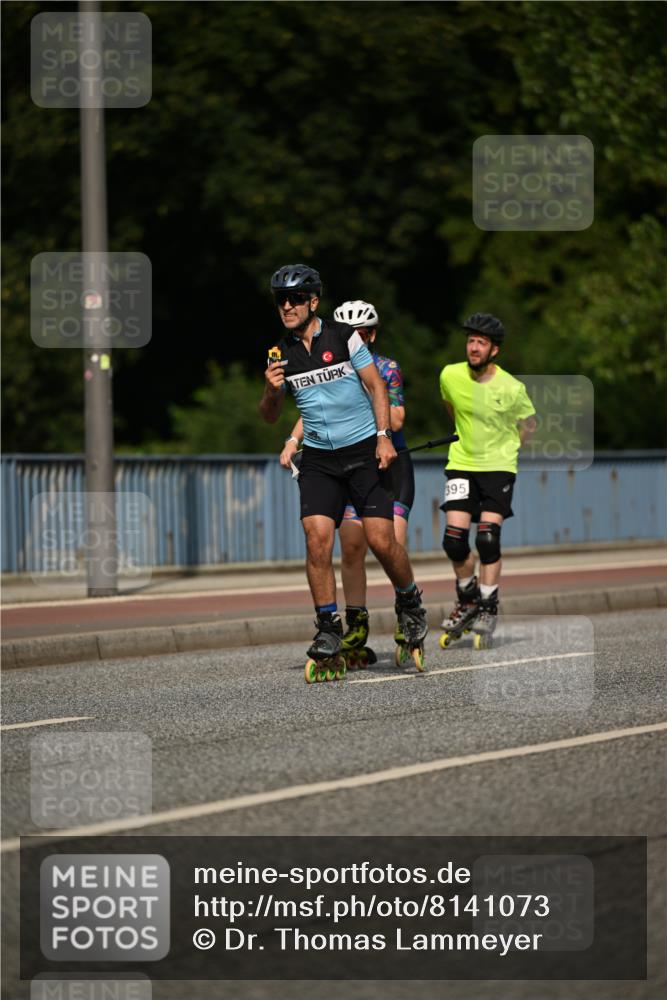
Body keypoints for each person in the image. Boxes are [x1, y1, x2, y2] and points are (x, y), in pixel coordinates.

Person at [260, 264, 428, 677]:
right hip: (319, 459)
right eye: (280, 299)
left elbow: (376, 386)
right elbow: (270, 415)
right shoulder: (280, 353)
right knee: (317, 539)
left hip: (362, 453)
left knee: (381, 542)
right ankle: (328, 628)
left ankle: (409, 601)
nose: (287, 305)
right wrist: (271, 389)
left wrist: (384, 435)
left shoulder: (344, 336)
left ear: (313, 301)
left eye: (295, 298)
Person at [439, 313, 536, 648]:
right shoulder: (450, 375)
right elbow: (452, 408)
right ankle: (467, 599)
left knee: (488, 539)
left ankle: (488, 607)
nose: (474, 347)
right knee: (453, 540)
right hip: (461, 463)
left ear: (494, 349)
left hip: (498, 468)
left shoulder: (511, 387)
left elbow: (529, 425)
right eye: (470, 341)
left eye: (481, 342)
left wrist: (505, 450)